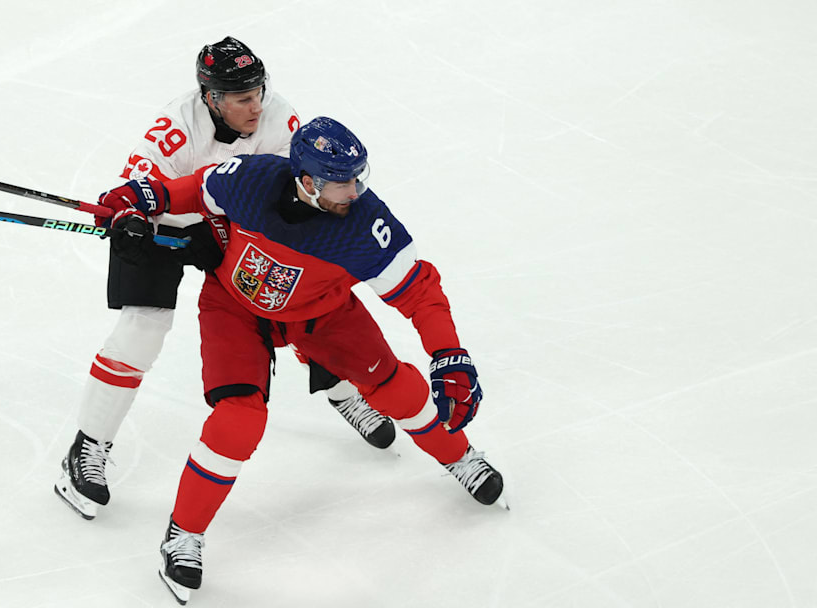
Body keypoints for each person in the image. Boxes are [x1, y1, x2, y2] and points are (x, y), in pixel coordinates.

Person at [92, 116, 508, 604]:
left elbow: (420, 291)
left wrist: (449, 356)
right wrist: (140, 198)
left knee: (398, 389)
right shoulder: (249, 178)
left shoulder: (362, 226)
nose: (354, 191)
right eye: (341, 182)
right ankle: (183, 533)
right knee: (237, 421)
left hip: (322, 314)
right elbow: (186, 192)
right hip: (235, 306)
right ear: (306, 182)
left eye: (358, 178)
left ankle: (460, 457)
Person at [55, 37, 395, 521]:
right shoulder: (174, 131)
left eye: (259, 91)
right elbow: (136, 194)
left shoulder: (281, 120)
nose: (256, 106)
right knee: (143, 327)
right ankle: (87, 447)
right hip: (169, 221)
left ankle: (340, 389)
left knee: (293, 296)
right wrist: (131, 224)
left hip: (236, 229)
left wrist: (223, 235)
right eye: (241, 98)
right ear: (210, 97)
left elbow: (286, 204)